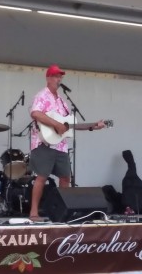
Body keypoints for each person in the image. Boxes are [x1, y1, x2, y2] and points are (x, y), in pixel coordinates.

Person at [29, 64, 106, 220]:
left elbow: (69, 126)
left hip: (61, 146)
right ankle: (33, 212)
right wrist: (56, 124)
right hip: (44, 143)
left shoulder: (63, 102)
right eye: (56, 76)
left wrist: (93, 127)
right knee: (42, 177)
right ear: (48, 78)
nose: (59, 79)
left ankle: (63, 212)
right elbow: (35, 113)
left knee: (65, 178)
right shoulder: (42, 95)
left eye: (60, 77)